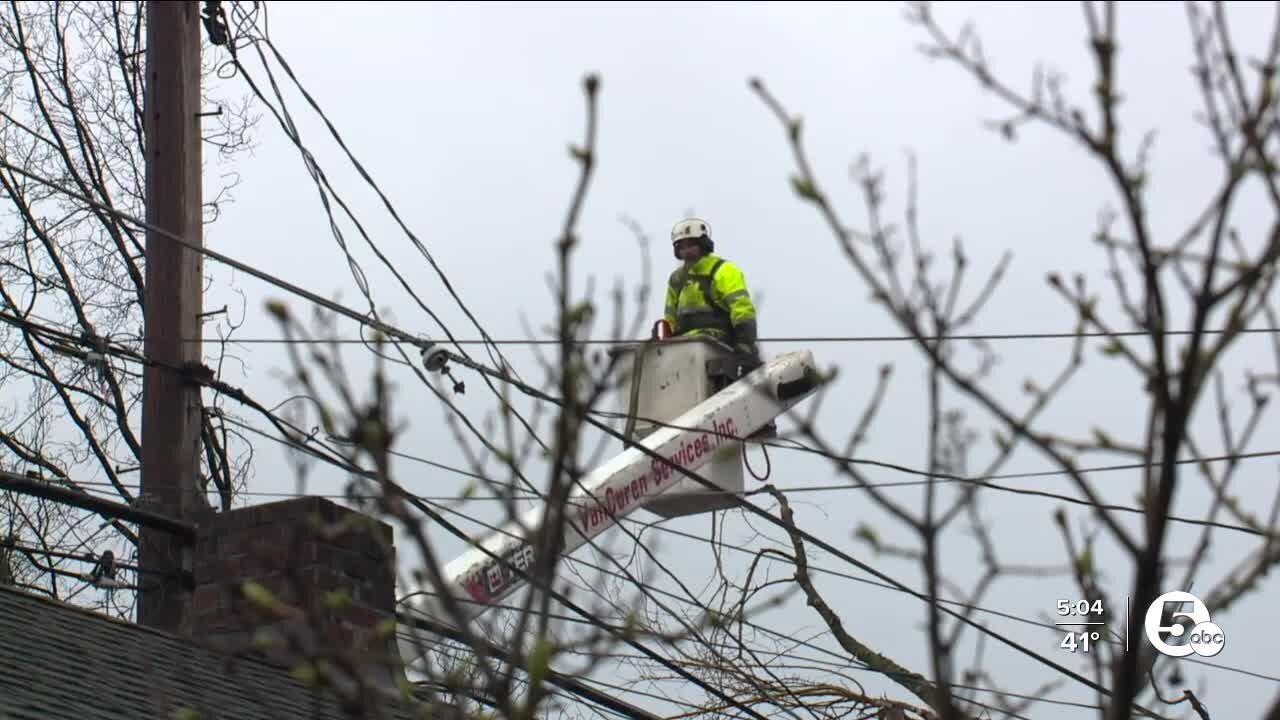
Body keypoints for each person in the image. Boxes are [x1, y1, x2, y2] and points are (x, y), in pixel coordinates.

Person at [662, 217, 762, 369]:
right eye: (681, 247)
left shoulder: (724, 270)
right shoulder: (676, 280)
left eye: (691, 245)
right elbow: (670, 320)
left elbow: (742, 310)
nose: (686, 251)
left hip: (719, 346)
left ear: (703, 244)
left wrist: (744, 345)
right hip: (683, 349)